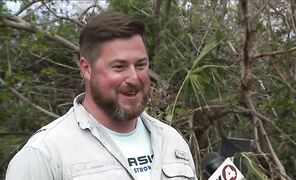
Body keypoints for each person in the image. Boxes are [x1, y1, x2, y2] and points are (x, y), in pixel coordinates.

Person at [5, 11, 197, 180]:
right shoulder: (44, 155)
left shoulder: (172, 142)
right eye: (119, 67)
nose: (134, 78)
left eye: (141, 65)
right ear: (86, 69)